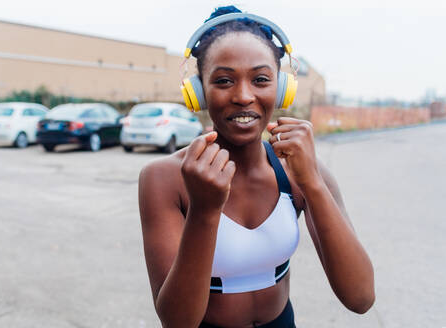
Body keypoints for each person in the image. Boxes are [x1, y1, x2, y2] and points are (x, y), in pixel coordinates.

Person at [139, 6, 375, 328]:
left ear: (281, 88)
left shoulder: (300, 170)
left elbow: (360, 297)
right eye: (223, 80)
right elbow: (178, 322)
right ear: (198, 93)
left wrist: (312, 183)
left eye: (261, 79)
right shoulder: (165, 178)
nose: (244, 96)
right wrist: (205, 211)